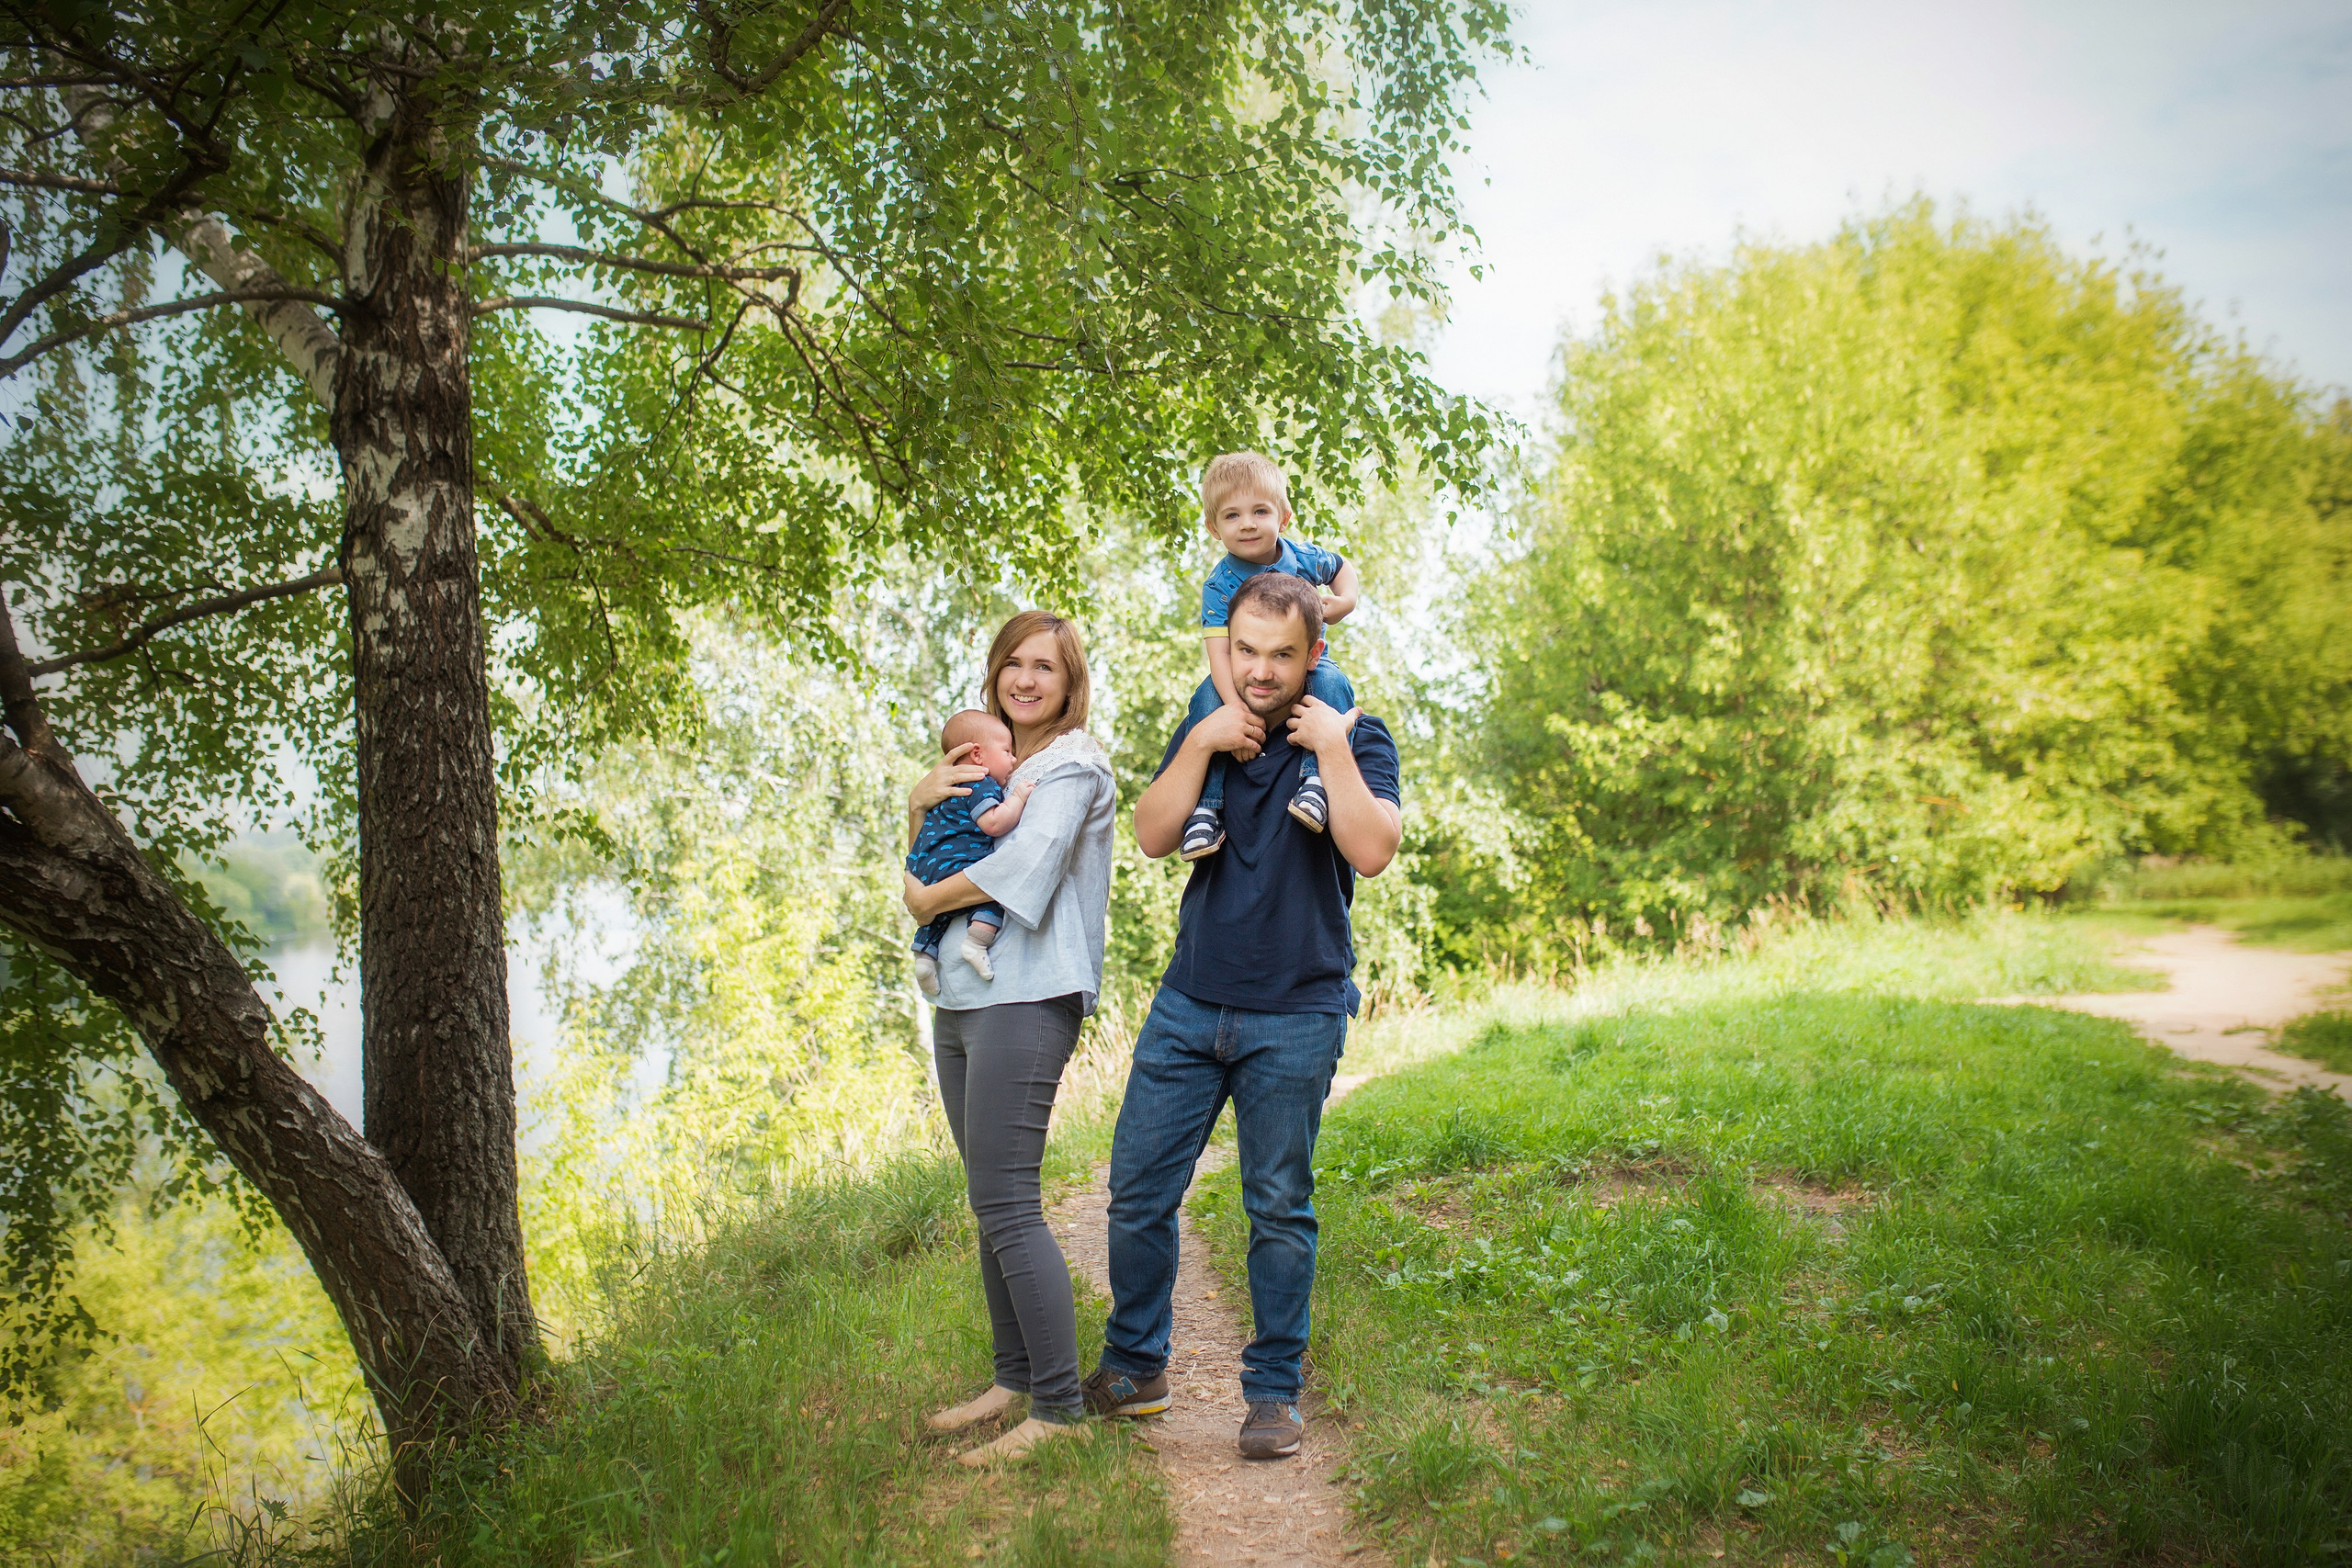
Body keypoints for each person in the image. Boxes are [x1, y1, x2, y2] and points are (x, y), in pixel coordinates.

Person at [1082, 571, 1403, 1460]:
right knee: (1138, 1190)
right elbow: (1151, 835)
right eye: (1248, 651)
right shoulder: (1213, 727)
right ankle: (1137, 1365)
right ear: (1231, 648)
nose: (1262, 672)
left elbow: (1373, 851)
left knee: (1277, 1204)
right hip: (1190, 1001)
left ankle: (1272, 1393)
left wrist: (1333, 750)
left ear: (1315, 654)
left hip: (1297, 1010)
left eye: (1282, 655)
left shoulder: (1357, 735)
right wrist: (1199, 745)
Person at [901, 610, 1116, 1467]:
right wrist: (914, 803)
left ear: (1069, 683)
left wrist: (922, 903)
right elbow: (933, 851)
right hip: (961, 998)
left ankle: (1059, 1407)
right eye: (1012, 665)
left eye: (1045, 667)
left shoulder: (1073, 763)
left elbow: (1024, 870)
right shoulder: (987, 765)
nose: (1025, 680)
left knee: (1007, 1199)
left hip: (1028, 995)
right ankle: (1012, 1377)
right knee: (986, 1196)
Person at [1177, 451, 1364, 861]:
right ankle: (1206, 808)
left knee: (1333, 683)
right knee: (1205, 702)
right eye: (1231, 516)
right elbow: (1220, 655)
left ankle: (1315, 782)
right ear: (1213, 528)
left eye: (1259, 511)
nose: (1247, 523)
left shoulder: (1303, 557)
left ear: (1283, 516)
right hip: (1238, 677)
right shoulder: (1220, 584)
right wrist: (1235, 714)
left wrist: (1346, 601)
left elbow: (1342, 566)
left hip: (1306, 670)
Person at [905, 709, 1039, 996]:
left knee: (939, 914)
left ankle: (925, 957)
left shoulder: (944, 790)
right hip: (957, 862)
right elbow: (993, 823)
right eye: (1006, 751)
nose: (1013, 760)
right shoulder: (981, 783)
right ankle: (976, 943)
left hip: (922, 866)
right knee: (990, 893)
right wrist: (1017, 798)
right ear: (977, 755)